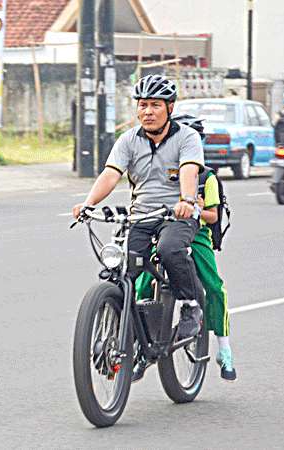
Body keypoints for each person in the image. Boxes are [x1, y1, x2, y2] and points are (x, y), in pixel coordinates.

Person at [71, 74, 205, 343]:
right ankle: (129, 340)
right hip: (141, 216)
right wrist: (88, 204)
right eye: (142, 105)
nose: (148, 112)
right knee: (123, 270)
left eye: (155, 105)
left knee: (169, 249)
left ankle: (191, 303)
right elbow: (111, 174)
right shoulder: (128, 140)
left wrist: (187, 201)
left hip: (176, 215)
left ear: (170, 107)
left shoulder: (187, 137)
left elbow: (189, 171)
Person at [134, 168, 237, 381]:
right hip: (164, 233)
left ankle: (224, 348)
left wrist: (197, 209)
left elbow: (212, 216)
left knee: (214, 287)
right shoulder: (161, 170)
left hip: (197, 235)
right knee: (142, 281)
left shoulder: (207, 178)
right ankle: (140, 344)